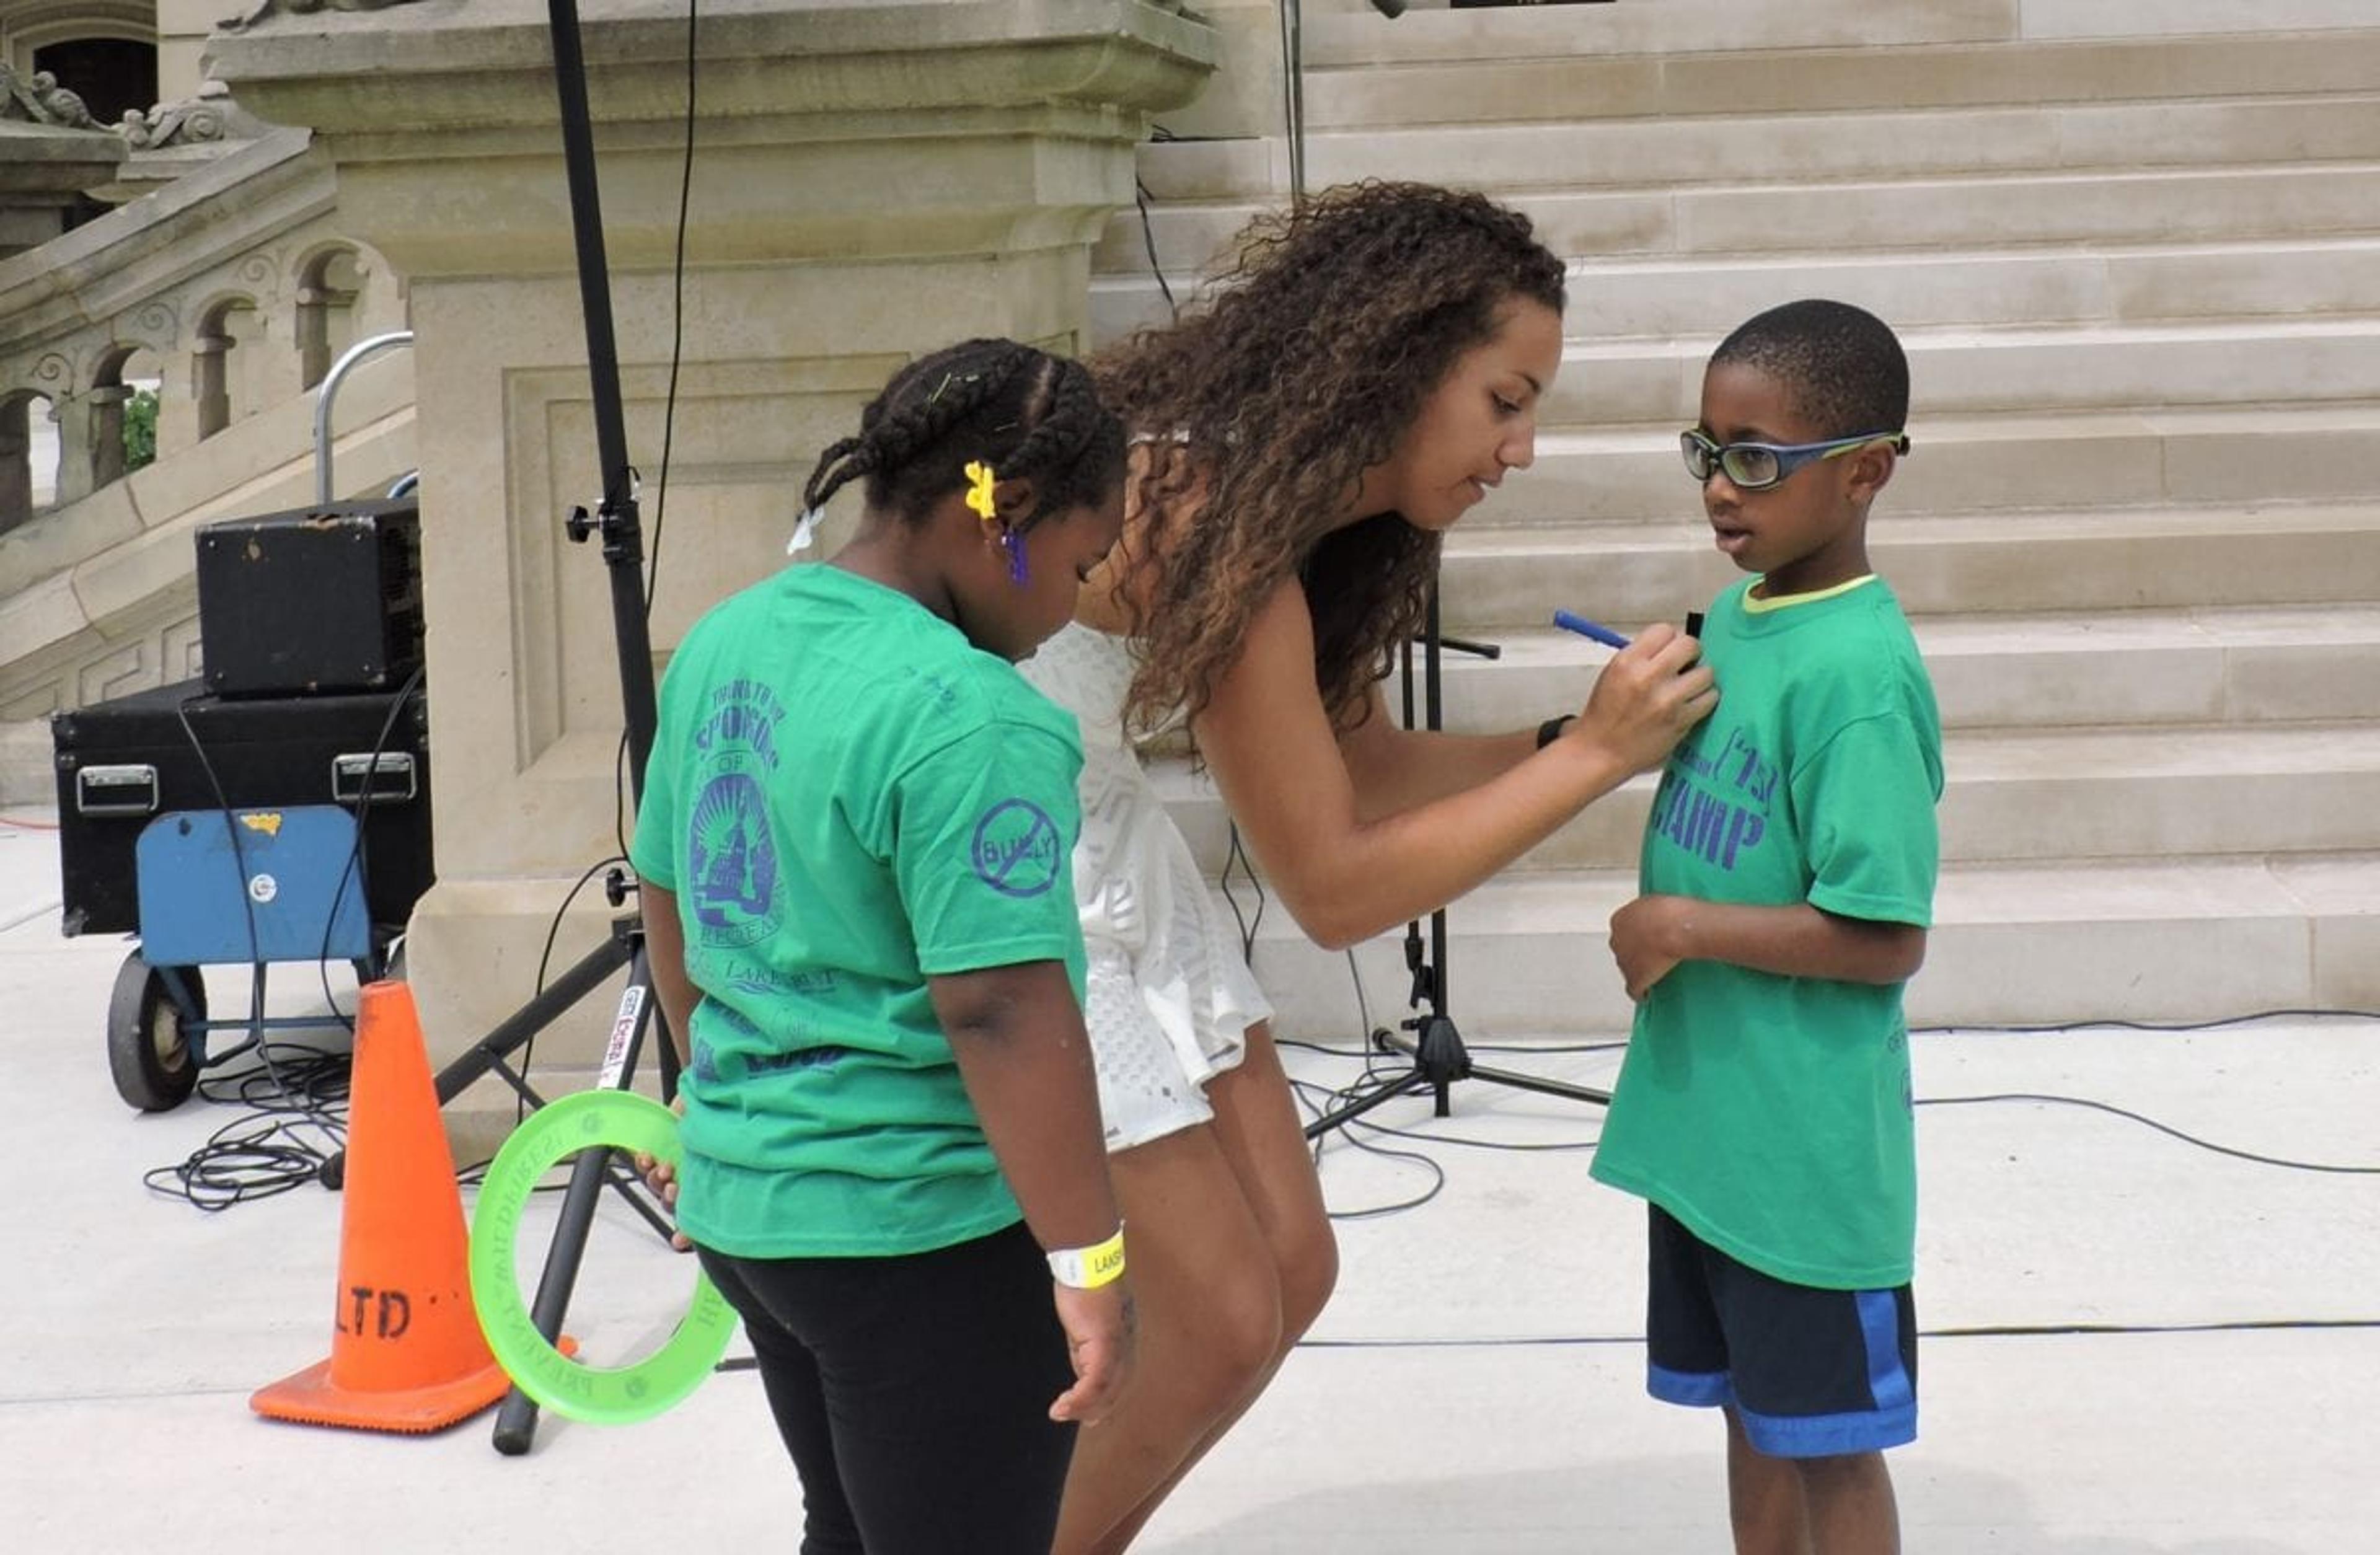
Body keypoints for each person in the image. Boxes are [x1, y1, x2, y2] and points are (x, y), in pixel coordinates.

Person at [1018, 180, 1721, 1554]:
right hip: (1023, 868)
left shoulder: (1284, 525)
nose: (1520, 448)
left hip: (1101, 838)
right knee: (1222, 1315)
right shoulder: (1207, 518)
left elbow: (1367, 775)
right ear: (1398, 363)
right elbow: (1333, 887)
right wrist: (1588, 764)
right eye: (1505, 400)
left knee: (1292, 1264)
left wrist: (1585, 733)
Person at [628, 338, 1137, 1555]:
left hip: (761, 1223)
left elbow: (666, 896)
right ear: (1003, 515)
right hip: (919, 1238)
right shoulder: (971, 716)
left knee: (850, 1527)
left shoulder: (727, 640)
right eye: (1082, 561)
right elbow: (1002, 1010)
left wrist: (721, 1107)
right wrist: (1092, 1256)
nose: (1075, 601)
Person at [1588, 297, 1944, 1555]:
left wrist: (1683, 920)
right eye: (1707, 451)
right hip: (1709, 1136)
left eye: (1757, 459)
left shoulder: (1861, 676)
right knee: (1746, 1411)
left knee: (1831, 1443)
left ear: (1862, 473)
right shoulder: (1738, 618)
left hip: (1803, 1159)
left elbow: (1883, 935)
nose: (1721, 490)